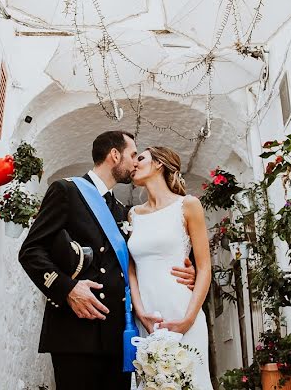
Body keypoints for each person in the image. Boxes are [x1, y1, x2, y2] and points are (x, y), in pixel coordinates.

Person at [19, 131, 197, 390]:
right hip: (77, 333)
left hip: (117, 336)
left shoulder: (122, 211)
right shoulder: (67, 191)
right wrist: (67, 289)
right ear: (115, 155)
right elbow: (31, 250)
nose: (136, 162)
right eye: (133, 155)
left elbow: (136, 262)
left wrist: (185, 270)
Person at [127, 146, 213, 390]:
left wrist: (188, 319)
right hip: (148, 318)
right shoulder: (133, 215)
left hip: (182, 310)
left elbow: (205, 267)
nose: (134, 164)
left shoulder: (188, 205)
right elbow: (131, 269)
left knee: (190, 382)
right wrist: (140, 312)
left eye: (140, 158)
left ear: (158, 164)